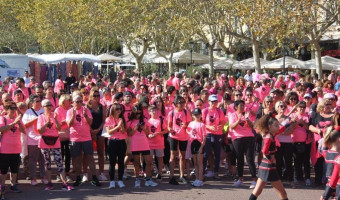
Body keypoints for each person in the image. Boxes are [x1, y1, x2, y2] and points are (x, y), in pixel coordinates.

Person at [249, 113, 288, 200]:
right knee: (283, 194)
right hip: (269, 167)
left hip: (265, 165)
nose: (278, 127)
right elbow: (264, 151)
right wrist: (271, 159)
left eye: (278, 125)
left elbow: (281, 129)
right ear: (269, 126)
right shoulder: (269, 137)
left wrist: (290, 122)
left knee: (257, 191)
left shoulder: (269, 134)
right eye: (276, 125)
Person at [37, 99, 74, 191]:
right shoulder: (41, 117)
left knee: (59, 162)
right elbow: (40, 131)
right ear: (43, 107)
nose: (49, 107)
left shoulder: (55, 115)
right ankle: (49, 183)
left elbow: (59, 128)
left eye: (50, 105)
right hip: (44, 142)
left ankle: (64, 183)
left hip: (55, 141)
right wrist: (47, 122)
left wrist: (55, 119)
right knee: (47, 163)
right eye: (47, 105)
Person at [66, 95, 101, 187]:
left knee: (90, 157)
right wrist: (73, 115)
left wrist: (85, 115)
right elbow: (69, 124)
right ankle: (78, 178)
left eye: (80, 101)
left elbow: (90, 123)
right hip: (75, 138)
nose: (79, 103)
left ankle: (94, 177)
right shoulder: (70, 111)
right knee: (76, 159)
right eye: (77, 101)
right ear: (72, 102)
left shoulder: (86, 109)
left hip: (86, 138)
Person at [127, 104, 158, 187]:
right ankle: (137, 179)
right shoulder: (130, 121)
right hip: (135, 143)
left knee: (148, 162)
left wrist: (144, 128)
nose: (138, 115)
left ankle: (148, 179)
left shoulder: (145, 120)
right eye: (136, 113)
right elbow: (129, 133)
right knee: (136, 163)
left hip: (144, 143)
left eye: (140, 113)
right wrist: (135, 128)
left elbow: (148, 134)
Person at [229, 100, 257, 188]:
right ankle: (240, 179)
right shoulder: (232, 115)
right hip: (237, 138)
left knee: (249, 159)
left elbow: (252, 126)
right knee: (239, 159)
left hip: (249, 137)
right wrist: (238, 120)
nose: (242, 107)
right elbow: (232, 127)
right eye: (240, 105)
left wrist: (247, 119)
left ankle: (254, 180)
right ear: (236, 107)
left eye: (243, 105)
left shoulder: (247, 114)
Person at [0, 102, 25, 195]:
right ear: (6, 109)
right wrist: (14, 123)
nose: (14, 110)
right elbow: (1, 129)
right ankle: (2, 186)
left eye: (15, 108)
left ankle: (13, 184)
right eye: (11, 108)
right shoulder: (3, 118)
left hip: (16, 148)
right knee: (4, 170)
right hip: (5, 149)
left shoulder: (17, 119)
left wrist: (19, 123)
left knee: (14, 169)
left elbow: (23, 130)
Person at [22, 94, 47, 186]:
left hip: (43, 138)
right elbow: (24, 125)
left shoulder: (43, 110)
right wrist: (36, 119)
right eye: (37, 101)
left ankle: (43, 177)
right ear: (32, 103)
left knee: (43, 159)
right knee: (32, 160)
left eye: (40, 101)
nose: (39, 103)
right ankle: (33, 178)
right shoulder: (28, 112)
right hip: (32, 139)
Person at [167, 96, 192, 185]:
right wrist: (171, 129)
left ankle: (182, 176)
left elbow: (189, 124)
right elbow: (169, 125)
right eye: (180, 102)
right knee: (172, 156)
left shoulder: (186, 112)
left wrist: (185, 125)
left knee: (182, 156)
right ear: (175, 104)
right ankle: (171, 176)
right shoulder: (171, 113)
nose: (182, 104)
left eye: (183, 102)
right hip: (174, 137)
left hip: (184, 136)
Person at [202, 94, 226, 178]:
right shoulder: (205, 111)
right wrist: (209, 127)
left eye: (215, 102)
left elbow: (223, 121)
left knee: (217, 154)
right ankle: (202, 173)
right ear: (208, 102)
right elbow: (201, 123)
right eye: (212, 102)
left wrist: (220, 125)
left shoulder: (219, 111)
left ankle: (216, 172)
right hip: (208, 134)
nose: (214, 103)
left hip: (218, 134)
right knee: (206, 154)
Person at [86, 89, 107, 181]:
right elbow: (85, 121)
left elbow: (104, 121)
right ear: (91, 96)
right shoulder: (86, 106)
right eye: (94, 95)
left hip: (99, 131)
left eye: (98, 96)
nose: (96, 97)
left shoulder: (102, 107)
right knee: (87, 154)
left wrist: (97, 130)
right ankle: (86, 173)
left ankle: (101, 173)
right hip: (88, 131)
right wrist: (91, 131)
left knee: (100, 153)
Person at [105, 103, 127, 188]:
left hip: (121, 142)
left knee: (121, 162)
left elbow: (123, 132)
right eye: (117, 109)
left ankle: (120, 180)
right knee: (112, 162)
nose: (119, 111)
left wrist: (121, 127)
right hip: (112, 142)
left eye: (120, 109)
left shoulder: (122, 119)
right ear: (113, 110)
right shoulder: (108, 119)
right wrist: (117, 126)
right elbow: (109, 132)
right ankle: (112, 181)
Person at [54, 94, 72, 182]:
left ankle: (67, 173)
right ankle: (59, 174)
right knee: (60, 155)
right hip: (60, 134)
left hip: (70, 134)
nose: (70, 101)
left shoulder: (71, 109)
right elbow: (56, 124)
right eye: (69, 100)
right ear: (63, 101)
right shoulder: (57, 110)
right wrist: (65, 121)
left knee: (68, 155)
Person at [187, 108, 206, 187]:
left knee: (199, 162)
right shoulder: (191, 123)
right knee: (195, 162)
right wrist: (190, 133)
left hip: (199, 143)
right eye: (195, 115)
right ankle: (197, 178)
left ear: (201, 115)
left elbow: (204, 137)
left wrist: (202, 146)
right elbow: (188, 131)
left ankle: (200, 179)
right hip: (192, 143)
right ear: (193, 115)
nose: (197, 116)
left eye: (198, 114)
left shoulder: (202, 124)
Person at [147, 105, 167, 181]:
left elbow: (166, 130)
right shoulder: (148, 121)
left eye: (155, 110)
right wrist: (148, 135)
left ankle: (160, 173)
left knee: (160, 158)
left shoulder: (160, 120)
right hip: (150, 143)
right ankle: (150, 173)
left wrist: (158, 133)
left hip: (159, 142)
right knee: (149, 159)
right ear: (149, 112)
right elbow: (146, 132)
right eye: (152, 111)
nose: (154, 112)